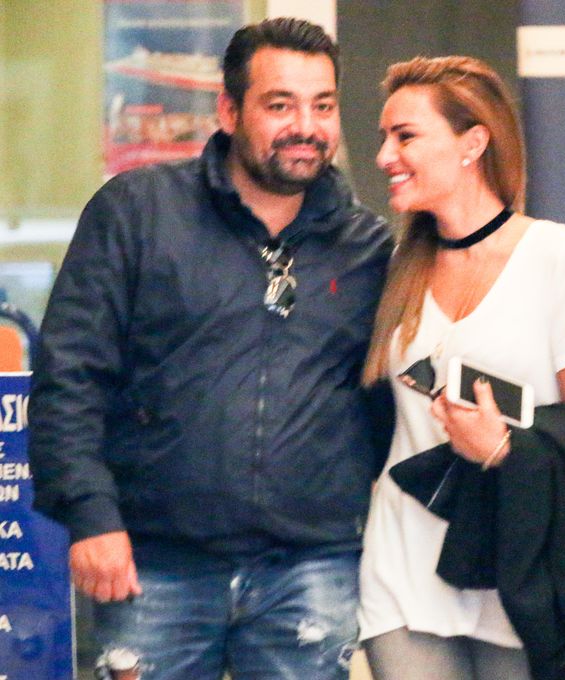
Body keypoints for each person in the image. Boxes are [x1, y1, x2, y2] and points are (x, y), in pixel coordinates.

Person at [27, 18, 392, 680]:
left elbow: (389, 408)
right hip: (152, 565)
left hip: (311, 571)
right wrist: (90, 515)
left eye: (323, 105)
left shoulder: (368, 248)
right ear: (228, 111)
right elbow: (71, 376)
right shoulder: (137, 213)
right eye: (279, 105)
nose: (305, 126)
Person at [358, 56, 565, 680]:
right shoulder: (394, 268)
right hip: (401, 578)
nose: (384, 156)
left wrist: (504, 448)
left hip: (517, 575)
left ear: (473, 143)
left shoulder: (562, 258)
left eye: (405, 136)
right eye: (384, 137)